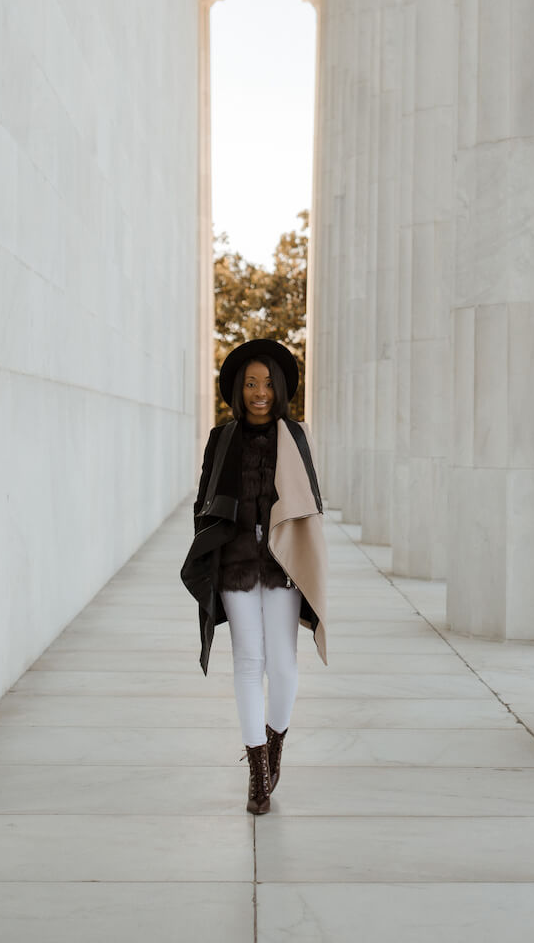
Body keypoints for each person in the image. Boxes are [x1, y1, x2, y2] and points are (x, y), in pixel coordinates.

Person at [180, 339, 329, 815]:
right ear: (238, 390)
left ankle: (275, 740)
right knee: (247, 662)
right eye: (250, 384)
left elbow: (311, 503)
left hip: (282, 567)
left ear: (279, 388)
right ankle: (257, 769)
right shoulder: (221, 438)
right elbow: (203, 502)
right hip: (236, 563)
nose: (259, 392)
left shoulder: (296, 435)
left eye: (266, 384)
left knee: (283, 665)